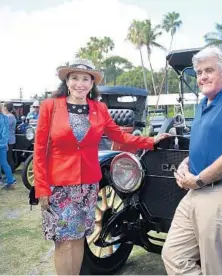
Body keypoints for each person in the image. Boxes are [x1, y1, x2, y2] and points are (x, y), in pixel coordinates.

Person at [33, 58, 170, 275]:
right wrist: (41, 188)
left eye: (85, 79)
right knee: (62, 241)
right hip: (59, 187)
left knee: (78, 239)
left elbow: (119, 136)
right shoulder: (50, 107)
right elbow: (40, 150)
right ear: (67, 81)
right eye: (75, 78)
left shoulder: (99, 108)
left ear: (92, 83)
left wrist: (150, 141)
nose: (80, 83)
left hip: (88, 185)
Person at [161, 46, 222, 275]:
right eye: (199, 72)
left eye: (209, 70)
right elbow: (204, 145)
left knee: (216, 268)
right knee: (174, 255)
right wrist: (186, 163)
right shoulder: (203, 105)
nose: (202, 77)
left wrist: (199, 179)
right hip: (195, 191)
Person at [0, 108, 16, 187]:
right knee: (4, 163)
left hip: (2, 143)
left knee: (3, 163)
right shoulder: (5, 118)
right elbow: (5, 132)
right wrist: (5, 143)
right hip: (4, 143)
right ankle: (10, 180)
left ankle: (9, 180)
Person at [2, 102, 17, 171]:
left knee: (8, 157)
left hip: (9, 140)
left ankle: (11, 170)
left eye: (3, 106)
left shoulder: (10, 116)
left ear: (6, 108)